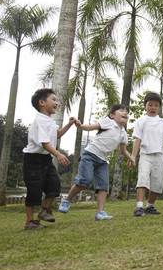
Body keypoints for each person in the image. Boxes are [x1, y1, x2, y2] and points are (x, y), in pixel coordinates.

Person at [58, 104, 134, 220]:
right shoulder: (108, 122)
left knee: (103, 186)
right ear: (112, 115)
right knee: (84, 181)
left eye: (126, 112)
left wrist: (131, 158)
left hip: (103, 160)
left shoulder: (123, 133)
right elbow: (91, 127)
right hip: (90, 155)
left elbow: (123, 150)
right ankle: (66, 200)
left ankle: (100, 213)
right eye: (121, 111)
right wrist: (80, 125)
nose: (125, 113)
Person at [22, 88, 76, 230]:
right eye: (53, 99)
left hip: (45, 159)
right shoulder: (39, 120)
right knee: (34, 190)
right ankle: (30, 221)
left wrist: (69, 125)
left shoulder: (49, 121)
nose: (56, 102)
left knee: (54, 185)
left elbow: (56, 135)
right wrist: (58, 154)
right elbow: (44, 143)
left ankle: (44, 210)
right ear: (41, 102)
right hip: (33, 160)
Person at [127, 92, 163, 216]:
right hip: (145, 156)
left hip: (159, 156)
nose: (153, 108)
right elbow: (137, 139)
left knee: (158, 182)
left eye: (156, 105)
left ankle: (149, 206)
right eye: (150, 105)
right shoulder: (141, 122)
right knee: (142, 179)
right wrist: (133, 156)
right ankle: (139, 207)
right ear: (145, 106)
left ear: (159, 108)